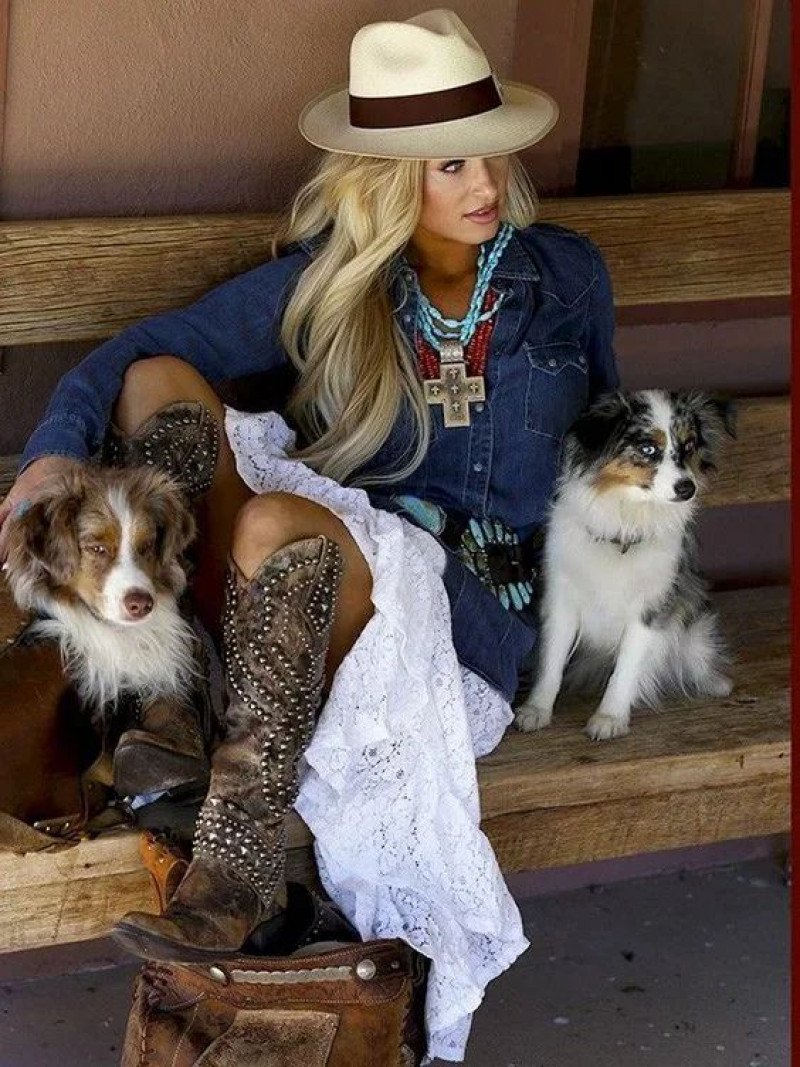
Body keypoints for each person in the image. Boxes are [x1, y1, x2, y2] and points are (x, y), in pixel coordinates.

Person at [0, 9, 618, 1060]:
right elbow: (144, 351)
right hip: (330, 579)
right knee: (160, 383)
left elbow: (607, 451)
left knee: (287, 517)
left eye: (486, 155)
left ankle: (226, 859)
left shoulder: (562, 278)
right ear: (386, 181)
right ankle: (168, 730)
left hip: (473, 617)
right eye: (446, 165)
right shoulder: (334, 280)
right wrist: (54, 455)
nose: (482, 185)